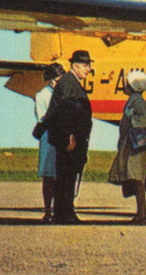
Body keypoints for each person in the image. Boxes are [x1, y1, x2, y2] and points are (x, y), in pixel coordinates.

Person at [42, 50, 94, 224]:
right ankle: (64, 214)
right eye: (85, 65)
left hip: (73, 139)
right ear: (75, 66)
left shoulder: (70, 82)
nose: (88, 69)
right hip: (69, 140)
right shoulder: (68, 83)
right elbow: (63, 113)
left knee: (68, 176)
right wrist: (68, 137)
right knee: (66, 176)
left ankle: (65, 212)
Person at [109, 70, 146, 225]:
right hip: (133, 145)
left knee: (136, 178)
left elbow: (145, 123)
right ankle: (141, 213)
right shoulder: (134, 100)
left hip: (136, 145)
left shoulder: (137, 102)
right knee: (135, 178)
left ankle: (142, 214)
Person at [33, 63, 65, 223]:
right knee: (48, 176)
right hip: (49, 138)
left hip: (62, 137)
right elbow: (42, 118)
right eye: (57, 80)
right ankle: (47, 210)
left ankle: (59, 210)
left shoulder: (64, 94)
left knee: (61, 176)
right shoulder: (42, 95)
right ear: (50, 79)